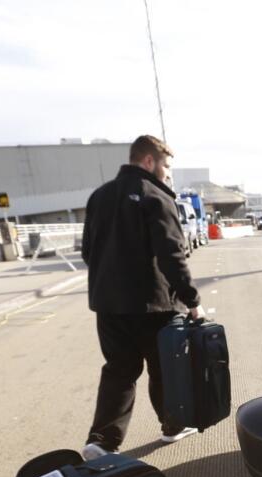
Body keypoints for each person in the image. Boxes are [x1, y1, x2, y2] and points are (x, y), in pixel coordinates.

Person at [80, 134, 202, 458]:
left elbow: (88, 252)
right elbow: (172, 255)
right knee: (163, 368)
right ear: (149, 161)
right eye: (166, 165)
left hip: (108, 303)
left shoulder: (99, 197)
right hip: (154, 304)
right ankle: (173, 426)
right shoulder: (157, 197)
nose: (167, 173)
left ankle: (102, 442)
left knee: (119, 370)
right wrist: (191, 300)